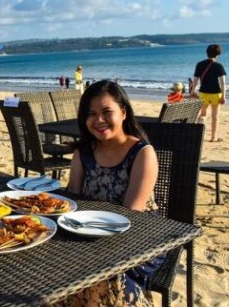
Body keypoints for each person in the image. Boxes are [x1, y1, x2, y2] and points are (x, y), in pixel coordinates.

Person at [65, 80, 159, 306]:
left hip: (136, 243)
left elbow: (131, 216)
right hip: (86, 238)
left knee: (90, 281)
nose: (98, 120)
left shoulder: (142, 153)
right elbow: (72, 203)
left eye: (107, 112)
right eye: (91, 114)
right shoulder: (84, 153)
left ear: (124, 112)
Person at [189, 44, 227, 142]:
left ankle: (199, 135)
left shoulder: (199, 64)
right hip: (215, 94)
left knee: (202, 114)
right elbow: (223, 83)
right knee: (215, 116)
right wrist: (224, 96)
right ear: (218, 54)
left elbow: (195, 81)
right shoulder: (219, 66)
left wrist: (192, 91)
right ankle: (213, 137)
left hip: (203, 93)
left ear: (207, 53)